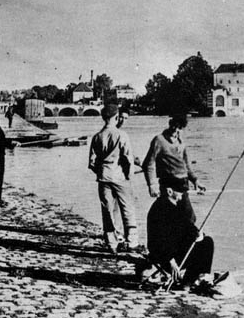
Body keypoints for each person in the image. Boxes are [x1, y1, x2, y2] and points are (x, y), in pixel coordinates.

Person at [88, 104, 138, 253]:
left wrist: (100, 171)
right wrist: (129, 176)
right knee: (127, 208)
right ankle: (132, 242)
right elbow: (128, 159)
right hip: (120, 176)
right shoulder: (121, 135)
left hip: (103, 177)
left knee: (107, 210)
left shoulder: (97, 137)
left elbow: (92, 162)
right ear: (116, 117)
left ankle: (112, 242)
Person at [143, 185, 214, 287]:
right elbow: (159, 241)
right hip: (164, 257)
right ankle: (189, 282)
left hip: (172, 252)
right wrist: (171, 261)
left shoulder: (174, 206)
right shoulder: (160, 209)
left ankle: (196, 279)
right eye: (180, 192)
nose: (182, 195)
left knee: (206, 240)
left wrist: (197, 233)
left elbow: (187, 227)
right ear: (169, 191)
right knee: (206, 244)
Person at [142, 115, 205, 222]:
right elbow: (148, 164)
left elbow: (186, 165)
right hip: (168, 185)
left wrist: (195, 180)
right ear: (170, 124)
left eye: (179, 128)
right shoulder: (159, 140)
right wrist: (152, 185)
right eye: (174, 126)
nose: (175, 130)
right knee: (168, 217)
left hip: (183, 185)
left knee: (190, 218)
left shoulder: (181, 142)